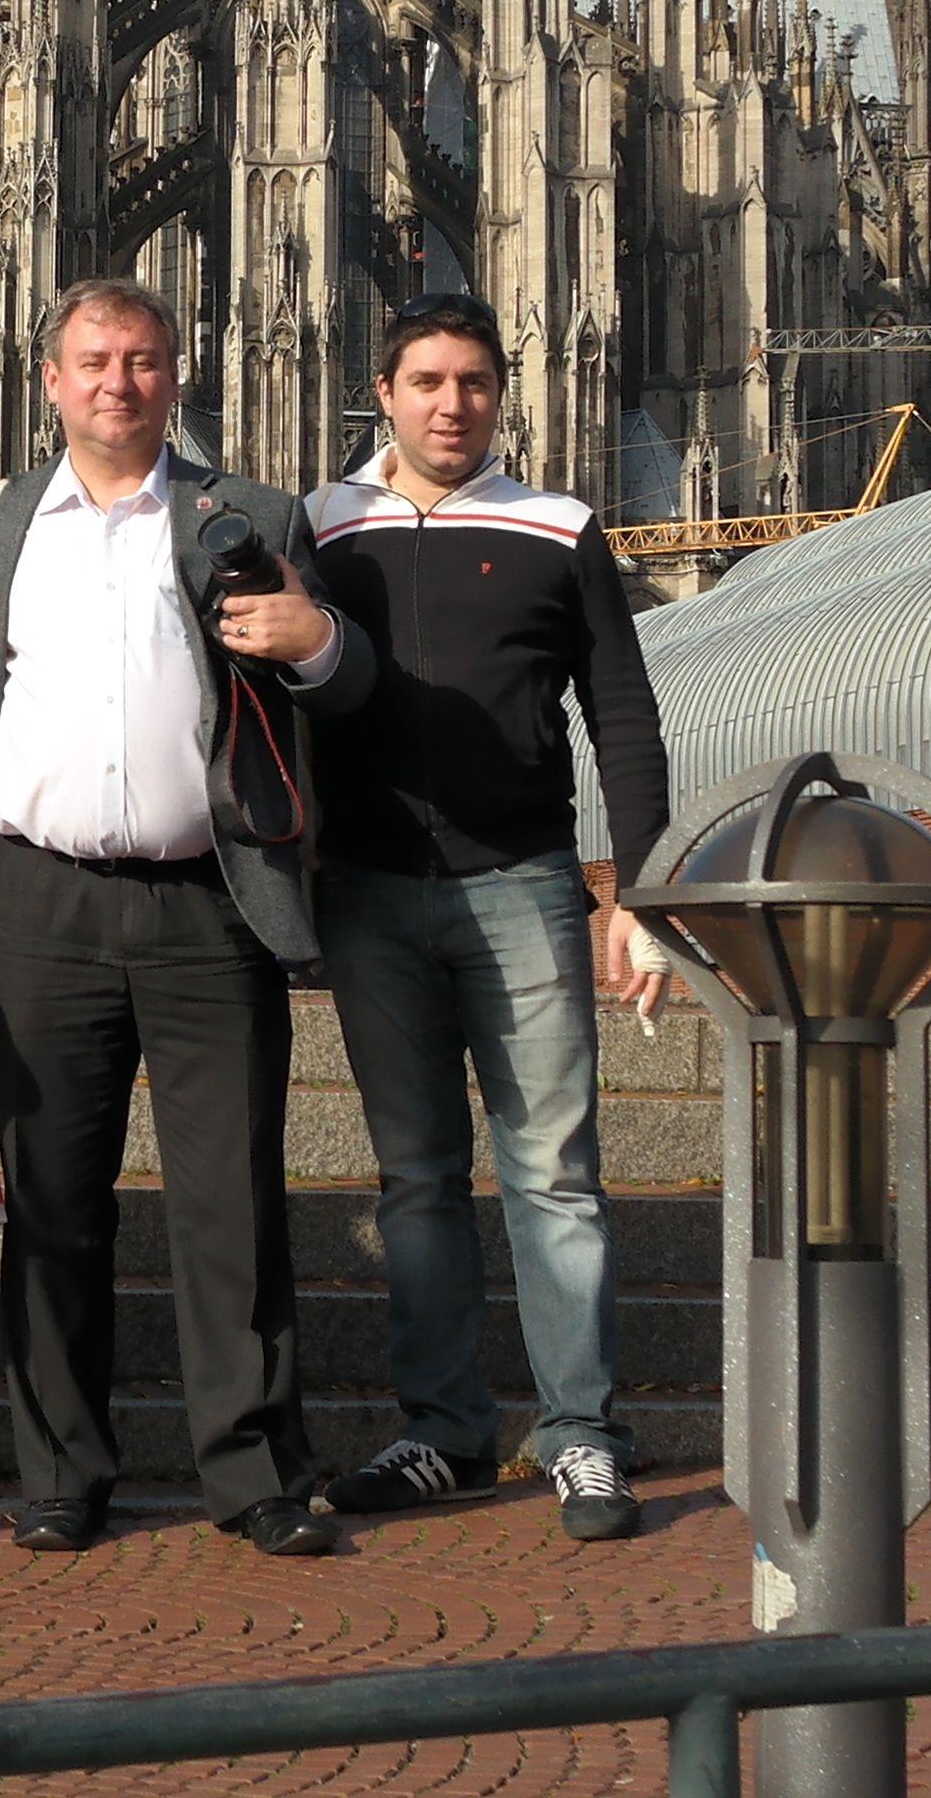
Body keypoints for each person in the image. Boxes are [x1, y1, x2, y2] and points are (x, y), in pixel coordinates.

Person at [0, 278, 369, 1558]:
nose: (119, 380)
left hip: (208, 896)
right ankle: (63, 1466)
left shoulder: (254, 513)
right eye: (94, 360)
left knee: (231, 1199)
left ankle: (253, 1471)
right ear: (50, 377)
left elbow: (342, 693)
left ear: (178, 376)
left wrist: (322, 638)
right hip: (38, 900)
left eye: (143, 359)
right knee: (55, 1199)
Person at [303, 293, 671, 1543]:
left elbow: (622, 710)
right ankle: (444, 1430)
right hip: (367, 888)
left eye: (472, 381)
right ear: (385, 391)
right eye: (427, 381)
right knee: (415, 1177)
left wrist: (646, 896)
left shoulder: (558, 525)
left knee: (553, 1174)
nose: (450, 403)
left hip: (523, 882)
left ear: (500, 394)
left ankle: (582, 1435)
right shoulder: (320, 526)